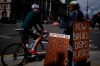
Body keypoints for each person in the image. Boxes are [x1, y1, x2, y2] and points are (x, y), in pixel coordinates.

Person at [53, 1, 84, 66]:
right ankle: (72, 63)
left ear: (73, 6)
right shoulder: (81, 13)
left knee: (65, 49)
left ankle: (71, 63)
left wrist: (58, 23)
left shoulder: (73, 13)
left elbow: (68, 24)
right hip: (77, 34)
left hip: (70, 34)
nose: (69, 7)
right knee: (73, 49)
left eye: (70, 6)